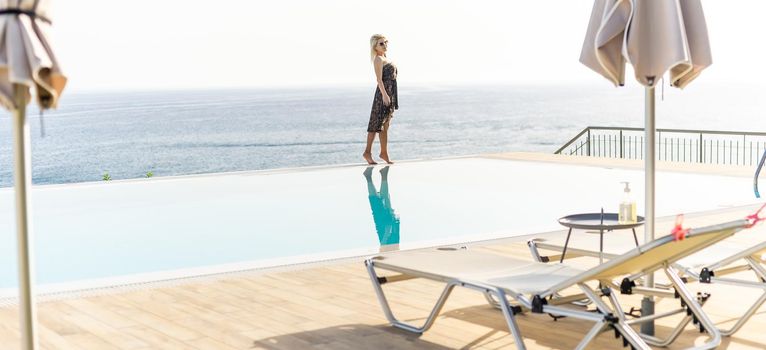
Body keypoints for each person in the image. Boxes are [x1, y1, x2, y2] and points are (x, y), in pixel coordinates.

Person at [364, 34, 398, 165]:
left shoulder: (385, 58)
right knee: (375, 124)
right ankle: (367, 152)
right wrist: (384, 95)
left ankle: (384, 152)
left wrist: (391, 96)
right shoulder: (378, 59)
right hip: (382, 95)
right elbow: (379, 80)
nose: (385, 45)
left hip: (390, 94)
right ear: (375, 46)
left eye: (385, 42)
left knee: (385, 125)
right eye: (381, 44)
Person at [363, 166, 400, 251]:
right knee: (385, 198)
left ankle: (368, 177)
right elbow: (396, 237)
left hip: (382, 225)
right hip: (391, 222)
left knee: (375, 201)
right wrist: (396, 223)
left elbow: (382, 246)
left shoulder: (388, 254)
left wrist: (387, 232)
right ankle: (384, 175)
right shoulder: (397, 251)